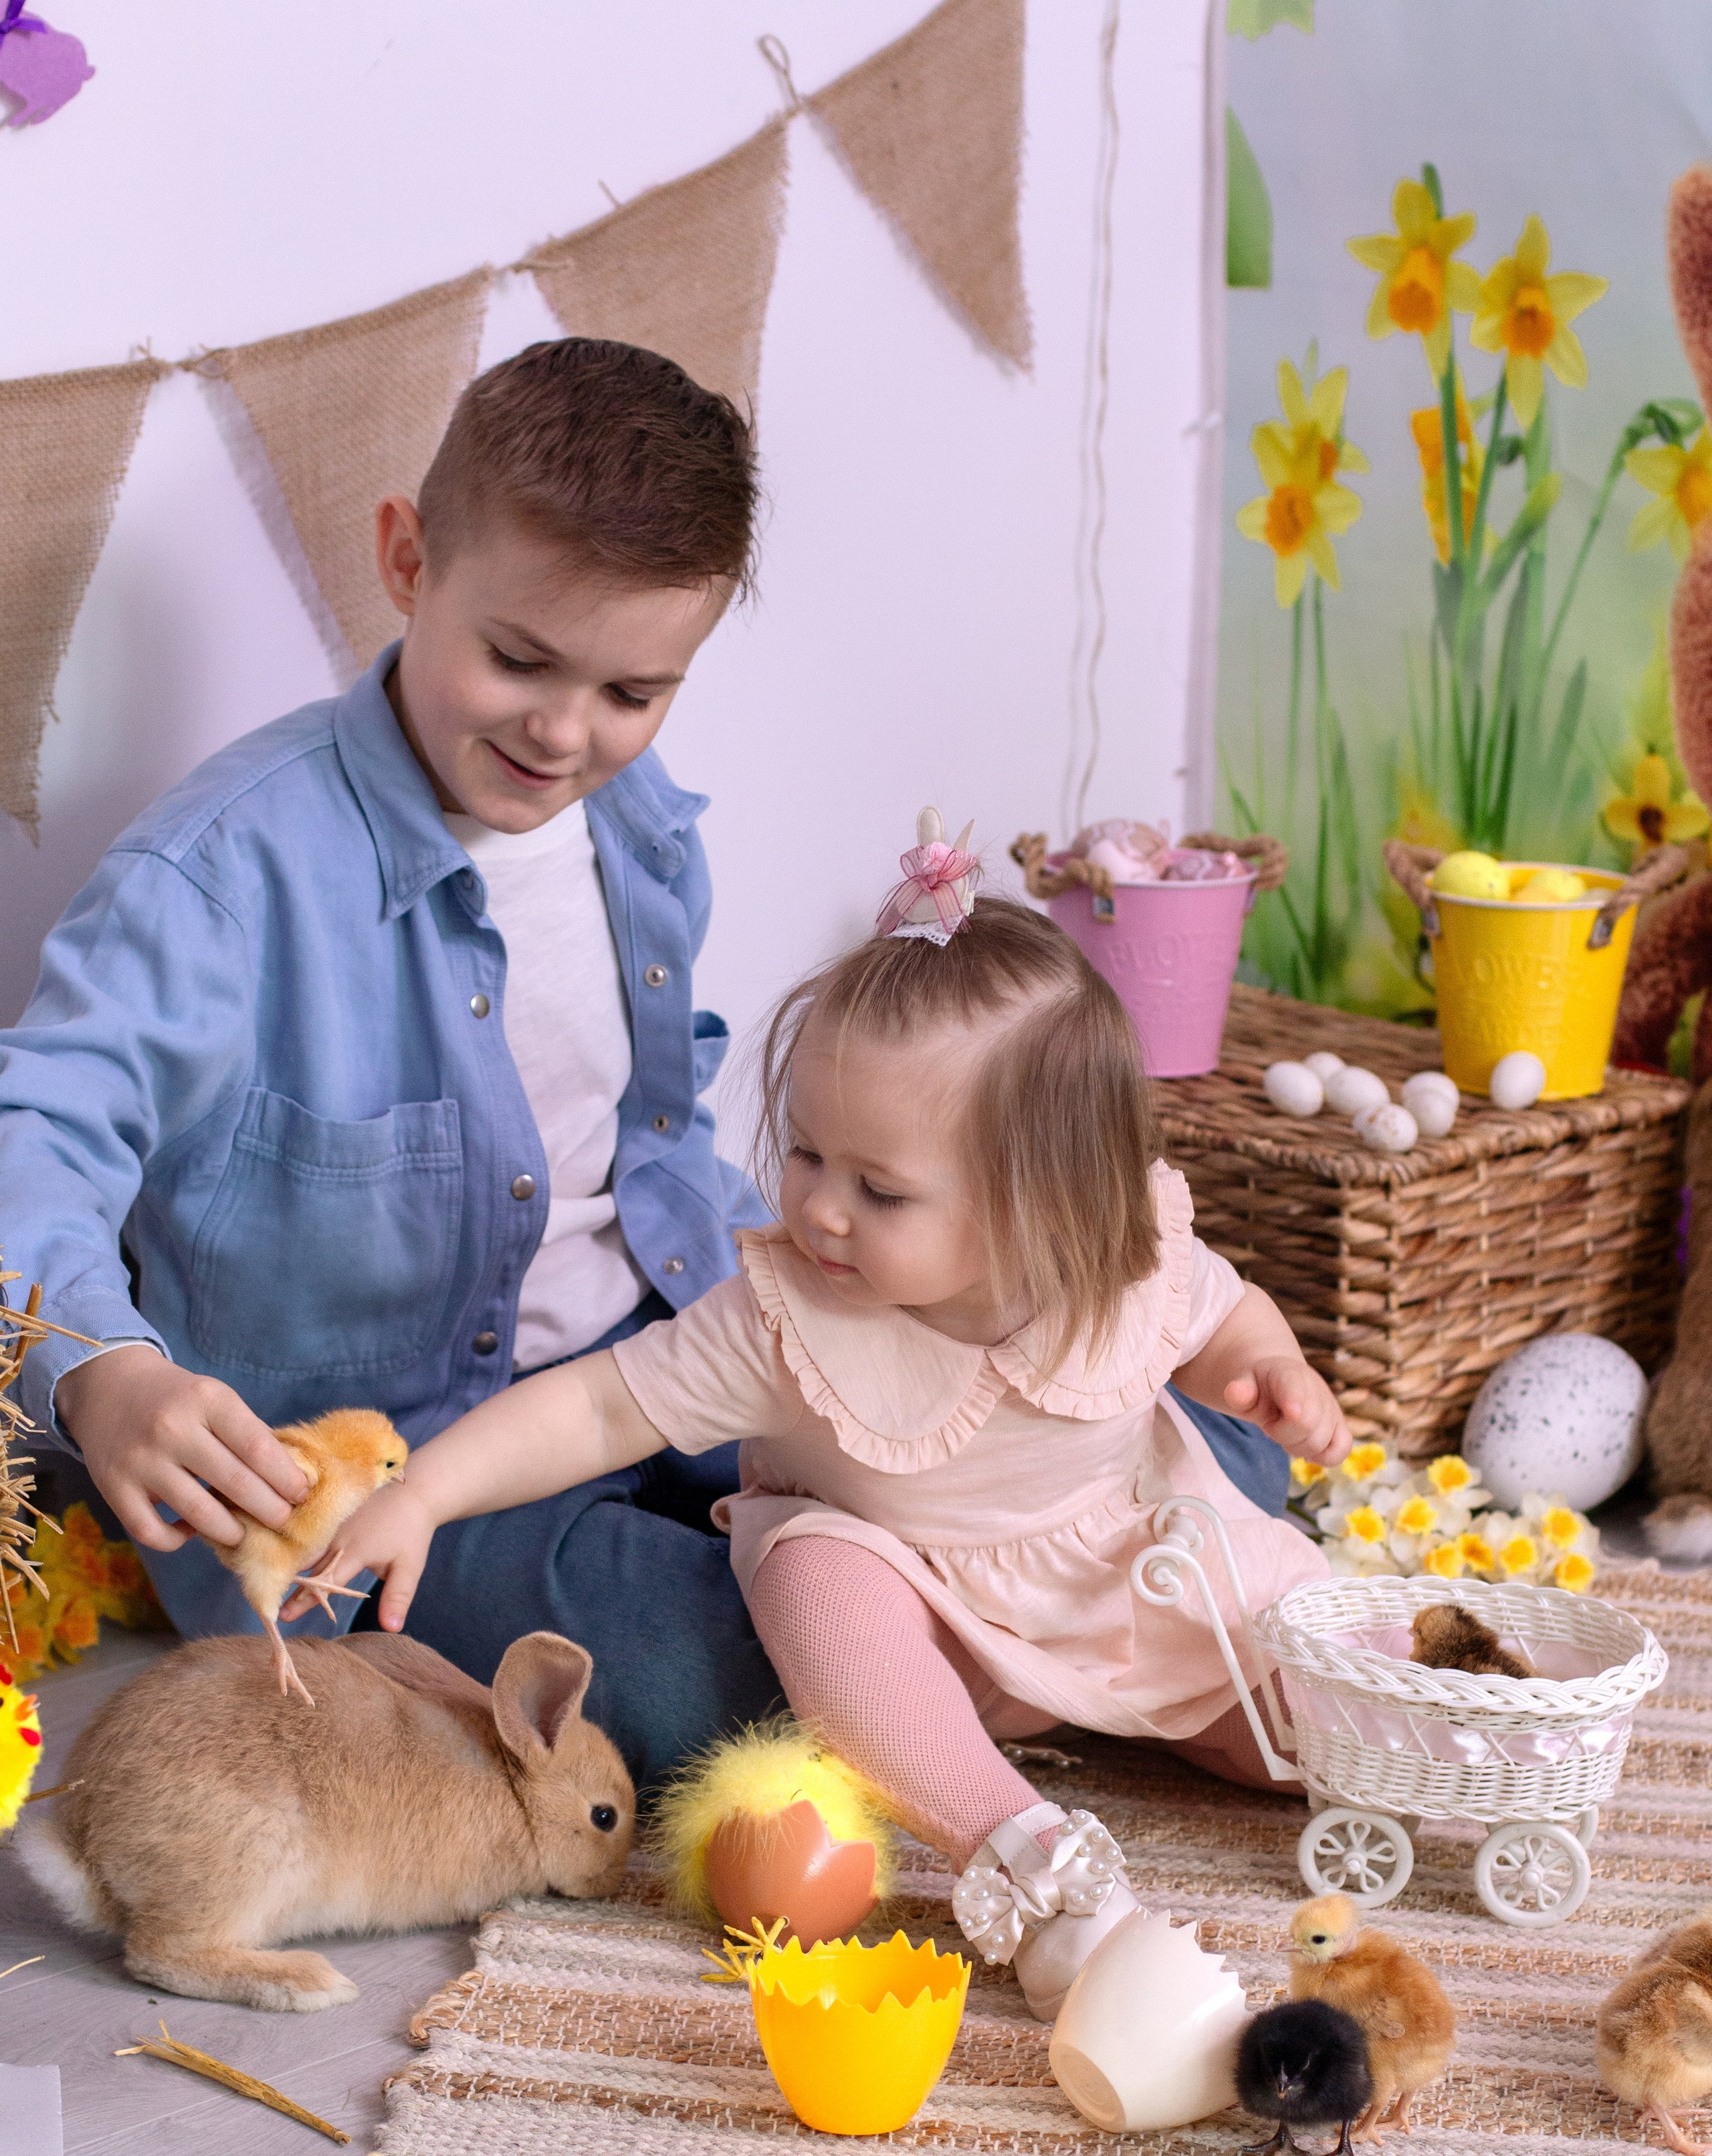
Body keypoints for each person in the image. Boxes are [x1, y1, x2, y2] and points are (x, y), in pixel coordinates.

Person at [303, 831, 1350, 2010]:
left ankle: (1409, 1731)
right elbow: (598, 1406)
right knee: (816, 1576)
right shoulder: (791, 1316)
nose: (819, 1210)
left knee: (1315, 1705)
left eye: (879, 1190)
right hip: (916, 1610)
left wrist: (1265, 1368)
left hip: (1123, 1574)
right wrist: (423, 1493)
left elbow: (1223, 1315)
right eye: (805, 1153)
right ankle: (1022, 1847)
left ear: (1049, 1206)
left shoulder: (1125, 1255)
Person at [0, 336, 784, 1788]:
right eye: (519, 661)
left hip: (649, 1355)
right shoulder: (221, 876)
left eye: (632, 692)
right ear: (408, 561)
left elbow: (658, 1132)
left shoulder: (643, 828)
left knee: (1052, 1478)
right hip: (395, 1473)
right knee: (708, 1679)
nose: (564, 732)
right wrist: (102, 1374)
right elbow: (32, 1134)